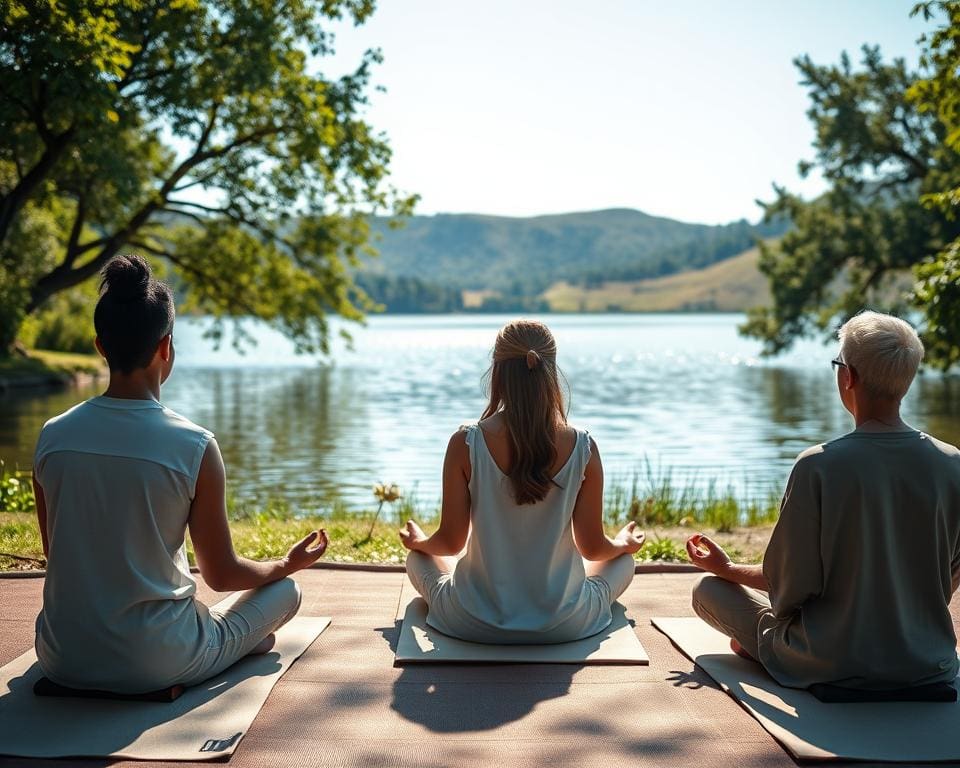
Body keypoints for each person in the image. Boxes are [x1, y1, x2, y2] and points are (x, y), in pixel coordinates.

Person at [31, 254, 328, 694]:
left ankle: (225, 647)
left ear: (100, 347)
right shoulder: (194, 445)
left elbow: (58, 553)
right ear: (166, 347)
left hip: (61, 656)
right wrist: (285, 563)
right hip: (157, 660)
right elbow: (222, 575)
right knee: (287, 594)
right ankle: (220, 652)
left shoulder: (52, 436)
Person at [687, 310, 960, 691]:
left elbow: (788, 590)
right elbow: (942, 583)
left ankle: (768, 650)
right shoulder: (953, 464)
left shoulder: (819, 465)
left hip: (827, 661)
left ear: (847, 377)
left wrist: (727, 569)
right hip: (925, 662)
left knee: (706, 591)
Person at [399, 319, 645, 644]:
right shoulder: (584, 446)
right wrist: (623, 544)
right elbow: (593, 548)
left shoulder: (466, 443)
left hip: (471, 621)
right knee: (624, 562)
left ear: (497, 372)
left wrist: (420, 543)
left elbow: (450, 544)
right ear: (551, 371)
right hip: (564, 623)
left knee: (418, 560)